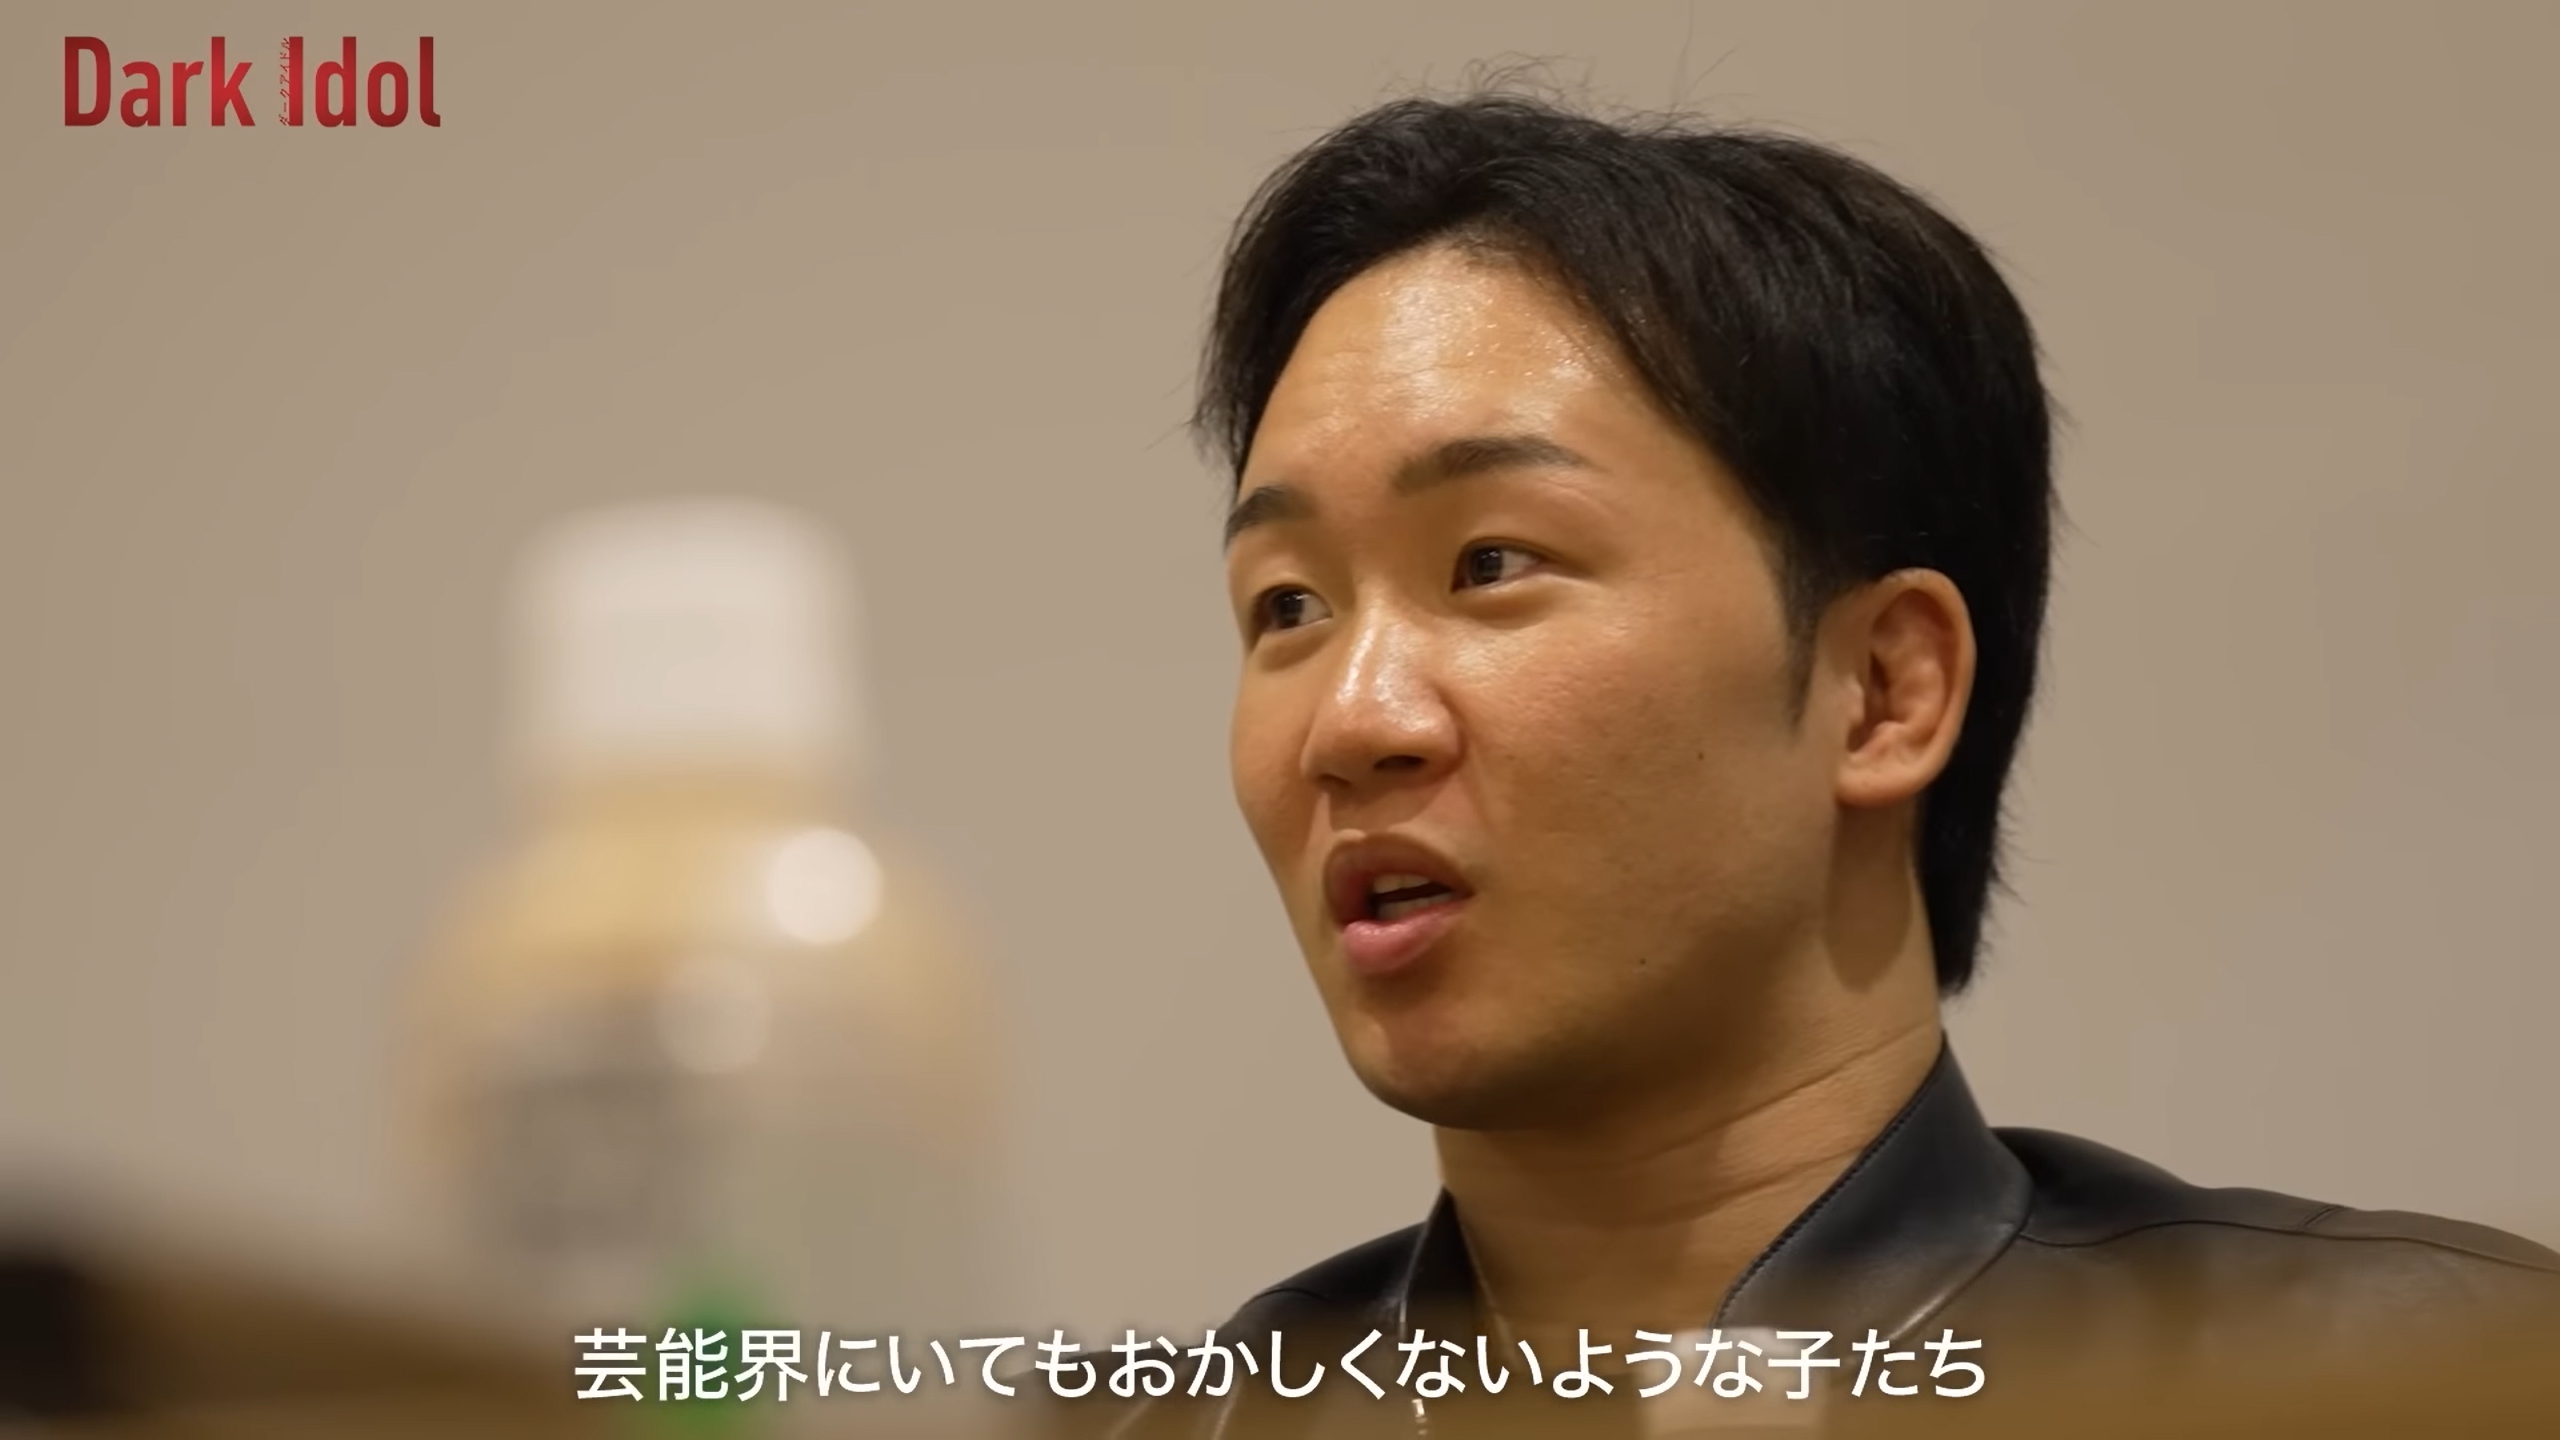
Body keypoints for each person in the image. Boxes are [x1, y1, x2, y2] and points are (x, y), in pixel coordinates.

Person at [1069, 91, 2558, 1438]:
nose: (1350, 723)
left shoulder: (2421, 1382)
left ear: (1883, 692)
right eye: (1288, 606)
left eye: (1492, 562)